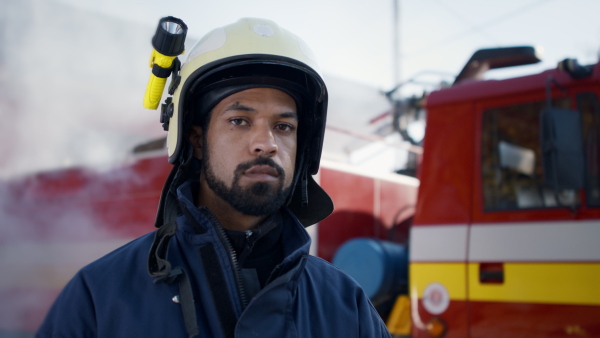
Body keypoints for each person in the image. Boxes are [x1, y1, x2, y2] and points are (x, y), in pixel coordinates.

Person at [37, 17, 391, 338]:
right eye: (240, 121)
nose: (266, 144)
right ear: (196, 139)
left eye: (283, 126)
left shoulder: (347, 307)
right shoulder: (100, 298)